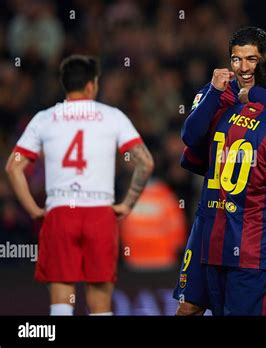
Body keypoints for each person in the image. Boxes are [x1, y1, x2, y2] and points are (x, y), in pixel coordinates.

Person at [174, 26, 266, 316]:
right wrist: (214, 92)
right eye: (236, 59)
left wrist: (257, 95)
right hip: (210, 218)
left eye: (251, 59)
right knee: (188, 307)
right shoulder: (219, 91)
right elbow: (189, 135)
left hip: (249, 224)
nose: (243, 67)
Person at [5, 55, 154, 315]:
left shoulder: (45, 118)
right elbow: (145, 162)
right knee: (100, 302)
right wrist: (127, 204)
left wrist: (33, 209)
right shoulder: (112, 116)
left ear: (66, 85)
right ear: (91, 86)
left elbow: (13, 167)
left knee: (62, 299)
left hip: (60, 212)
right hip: (100, 212)